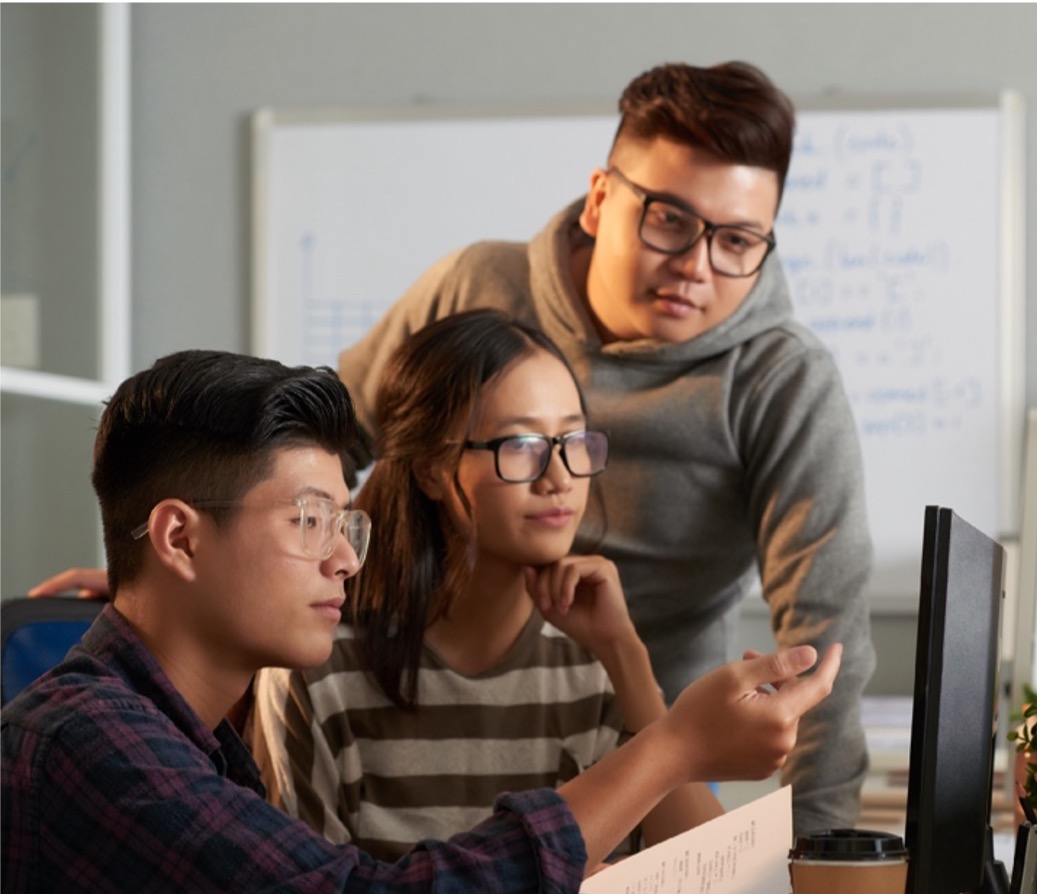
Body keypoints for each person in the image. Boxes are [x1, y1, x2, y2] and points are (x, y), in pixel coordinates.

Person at [1, 349, 838, 894]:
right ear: (179, 537)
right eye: (307, 520)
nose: (345, 557)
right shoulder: (87, 747)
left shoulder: (190, 740)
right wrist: (670, 748)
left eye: (345, 521)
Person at [335, 60, 875, 836]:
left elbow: (827, 641)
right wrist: (213, 570)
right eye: (668, 219)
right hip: (427, 718)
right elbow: (328, 433)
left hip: (644, 739)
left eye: (738, 240)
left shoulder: (781, 379)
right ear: (599, 200)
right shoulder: (476, 286)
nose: (696, 265)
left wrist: (825, 854)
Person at [250, 309, 721, 862]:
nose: (560, 478)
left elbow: (708, 870)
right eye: (521, 444)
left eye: (572, 438)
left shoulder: (592, 662)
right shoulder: (320, 663)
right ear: (429, 466)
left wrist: (625, 654)